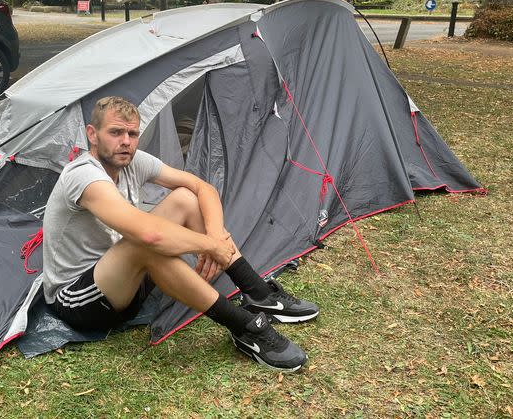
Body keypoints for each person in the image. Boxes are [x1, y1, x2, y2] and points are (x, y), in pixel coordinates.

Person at [42, 96, 319, 371]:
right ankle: (245, 328)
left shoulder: (132, 159)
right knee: (147, 241)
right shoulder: (83, 175)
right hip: (78, 298)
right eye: (115, 132)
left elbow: (203, 189)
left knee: (186, 197)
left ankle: (258, 293)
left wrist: (214, 237)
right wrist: (211, 245)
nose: (126, 141)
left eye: (132, 133)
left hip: (125, 278)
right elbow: (149, 235)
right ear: (93, 135)